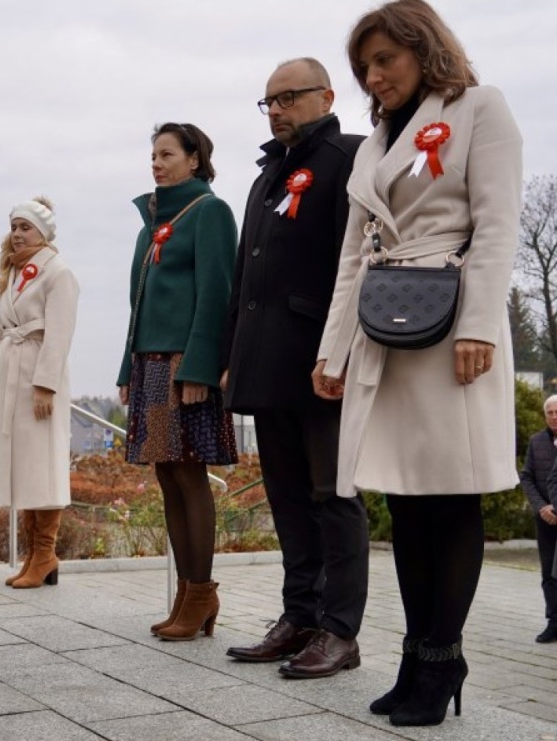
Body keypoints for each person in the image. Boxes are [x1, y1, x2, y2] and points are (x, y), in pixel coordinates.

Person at [314, 0, 523, 726]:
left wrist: (479, 327)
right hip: (384, 323)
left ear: (423, 49)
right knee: (402, 499)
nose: (374, 78)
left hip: (453, 320)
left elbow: (499, 223)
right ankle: (417, 655)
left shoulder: (479, 108)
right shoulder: (373, 141)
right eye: (365, 68)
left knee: (450, 492)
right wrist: (332, 349)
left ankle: (442, 656)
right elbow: (352, 255)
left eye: (385, 62)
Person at [221, 59, 369, 678]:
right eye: (268, 101)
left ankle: (340, 631)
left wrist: (339, 352)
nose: (277, 109)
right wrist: (232, 355)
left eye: (288, 97)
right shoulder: (265, 174)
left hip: (320, 360)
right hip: (267, 360)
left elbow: (357, 261)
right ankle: (299, 617)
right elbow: (243, 276)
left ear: (326, 96)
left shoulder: (348, 157)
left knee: (333, 496)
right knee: (286, 497)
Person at [118, 123, 238, 641]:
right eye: (153, 154)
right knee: (167, 477)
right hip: (150, 364)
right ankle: (187, 593)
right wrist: (128, 368)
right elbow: (137, 304)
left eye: (167, 154)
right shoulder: (151, 225)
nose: (156, 162)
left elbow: (218, 292)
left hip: (184, 363)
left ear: (195, 160)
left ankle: (202, 592)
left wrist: (199, 368)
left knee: (189, 476)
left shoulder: (210, 212)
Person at [0, 197, 79, 589]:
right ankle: (34, 555)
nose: (17, 234)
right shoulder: (15, 276)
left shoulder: (58, 273)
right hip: (10, 376)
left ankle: (45, 552)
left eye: (26, 227)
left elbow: (59, 332)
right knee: (21, 463)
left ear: (44, 233)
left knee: (43, 464)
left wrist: (45, 385)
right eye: (14, 227)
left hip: (38, 376)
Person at [520, 395, 557, 644]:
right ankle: (553, 621)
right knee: (548, 572)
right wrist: (542, 507)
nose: (554, 416)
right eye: (550, 412)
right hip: (546, 518)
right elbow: (527, 477)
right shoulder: (536, 442)